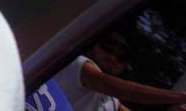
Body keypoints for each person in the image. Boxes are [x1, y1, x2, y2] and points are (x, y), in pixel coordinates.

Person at [54, 33, 186, 110]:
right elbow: (120, 88)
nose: (113, 58)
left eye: (121, 58)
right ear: (92, 47)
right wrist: (180, 96)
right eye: (108, 49)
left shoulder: (111, 101)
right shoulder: (78, 65)